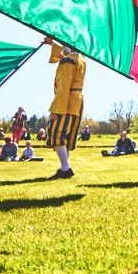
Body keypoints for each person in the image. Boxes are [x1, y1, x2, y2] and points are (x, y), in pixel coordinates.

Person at [44, 38, 85, 179]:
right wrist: (52, 44)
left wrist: (56, 108)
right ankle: (64, 167)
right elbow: (64, 55)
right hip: (76, 101)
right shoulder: (80, 59)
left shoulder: (68, 61)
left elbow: (63, 86)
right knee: (66, 135)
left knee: (57, 133)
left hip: (66, 101)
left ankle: (65, 168)